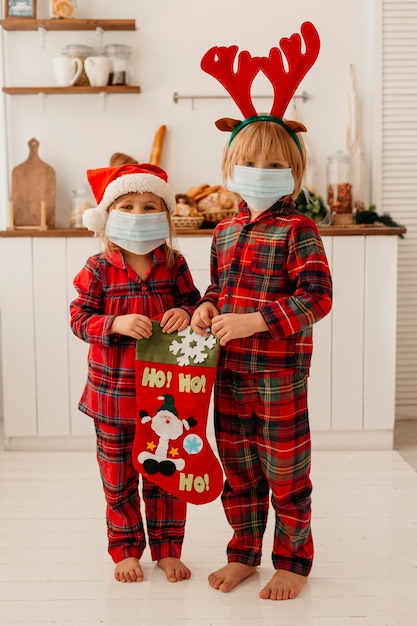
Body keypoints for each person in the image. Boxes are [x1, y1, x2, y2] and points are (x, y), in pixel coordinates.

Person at [191, 116, 333, 601]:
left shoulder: (299, 228)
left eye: (274, 164)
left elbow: (316, 297)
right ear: (230, 168)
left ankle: (293, 562)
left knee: (286, 472)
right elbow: (218, 287)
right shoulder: (224, 231)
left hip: (279, 373)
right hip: (229, 371)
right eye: (249, 162)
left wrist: (256, 320)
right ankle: (243, 554)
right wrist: (208, 305)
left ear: (294, 171)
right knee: (239, 469)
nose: (260, 171)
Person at [70, 163, 201, 584]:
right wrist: (114, 323)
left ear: (166, 215)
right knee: (119, 478)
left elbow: (196, 305)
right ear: (109, 215)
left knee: (166, 475)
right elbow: (78, 318)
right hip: (113, 397)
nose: (140, 214)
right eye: (128, 206)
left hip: (166, 399)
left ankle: (167, 550)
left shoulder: (174, 263)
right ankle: (125, 549)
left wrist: (185, 311)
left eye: (150, 206)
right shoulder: (98, 268)